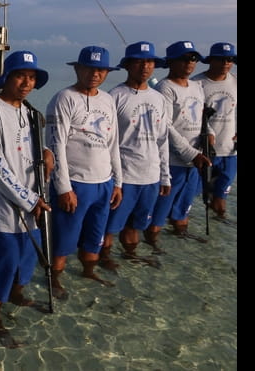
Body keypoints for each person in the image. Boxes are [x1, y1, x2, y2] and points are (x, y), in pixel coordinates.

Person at [0, 50, 54, 348]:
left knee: (26, 259)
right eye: (20, 75)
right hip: (4, 208)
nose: (26, 82)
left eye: (32, 77)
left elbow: (37, 150)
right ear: (7, 78)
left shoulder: (31, 111)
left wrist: (49, 155)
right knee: (2, 264)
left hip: (34, 201)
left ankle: (17, 295)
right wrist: (27, 199)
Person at [45, 45, 123, 292]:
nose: (95, 74)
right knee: (63, 241)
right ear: (78, 68)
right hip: (76, 184)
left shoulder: (108, 100)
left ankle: (89, 272)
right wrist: (64, 188)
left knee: (94, 239)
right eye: (89, 68)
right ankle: (54, 278)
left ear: (107, 72)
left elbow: (113, 143)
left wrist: (118, 182)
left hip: (104, 183)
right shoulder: (64, 98)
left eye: (101, 69)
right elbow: (56, 145)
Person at [100, 42, 171, 269]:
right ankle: (104, 259)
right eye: (139, 61)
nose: (145, 66)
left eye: (149, 62)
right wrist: (113, 178)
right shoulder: (115, 97)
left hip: (150, 177)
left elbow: (162, 139)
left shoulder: (159, 98)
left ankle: (131, 257)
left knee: (135, 226)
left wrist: (165, 175)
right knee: (111, 227)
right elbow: (105, 141)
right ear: (128, 65)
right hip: (125, 176)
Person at [145, 41, 213, 249]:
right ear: (171, 62)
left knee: (185, 205)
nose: (189, 63)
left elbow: (201, 116)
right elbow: (165, 126)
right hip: (174, 160)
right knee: (161, 208)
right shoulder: (165, 88)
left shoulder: (196, 86)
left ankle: (181, 235)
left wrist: (209, 133)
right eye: (184, 59)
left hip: (196, 159)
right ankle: (152, 242)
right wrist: (190, 152)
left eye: (193, 58)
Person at [192, 42, 237, 222]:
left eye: (230, 59)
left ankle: (219, 230)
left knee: (220, 198)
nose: (226, 63)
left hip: (230, 151)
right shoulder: (196, 83)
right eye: (221, 59)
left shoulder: (235, 82)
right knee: (191, 196)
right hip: (203, 152)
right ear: (211, 60)